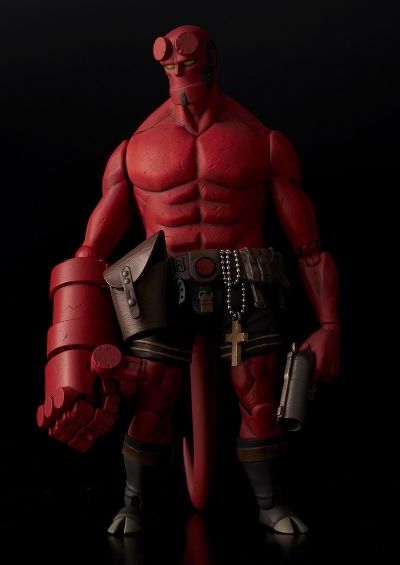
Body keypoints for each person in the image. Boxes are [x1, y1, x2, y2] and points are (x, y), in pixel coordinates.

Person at [38, 24, 340, 535]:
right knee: (151, 398)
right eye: (170, 61)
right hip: (162, 287)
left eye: (189, 59)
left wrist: (330, 325)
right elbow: (90, 252)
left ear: (212, 59)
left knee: (260, 397)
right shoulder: (135, 148)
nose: (180, 69)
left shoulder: (262, 141)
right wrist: (71, 349)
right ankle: (133, 504)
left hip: (244, 280)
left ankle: (270, 505)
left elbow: (307, 246)